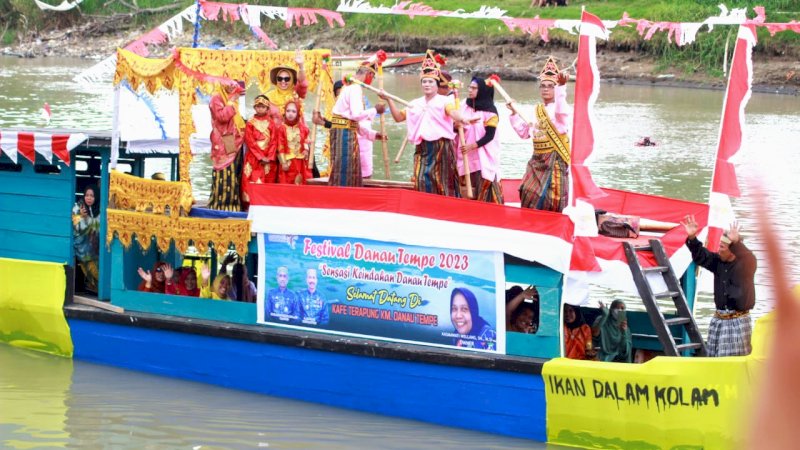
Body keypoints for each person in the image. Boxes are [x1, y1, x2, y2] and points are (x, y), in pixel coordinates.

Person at [381, 50, 463, 198]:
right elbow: (399, 118)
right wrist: (389, 100)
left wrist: (462, 118)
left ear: (437, 84)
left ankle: (444, 207)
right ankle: (424, 204)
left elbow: (452, 112)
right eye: (424, 81)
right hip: (423, 147)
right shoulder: (415, 103)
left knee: (441, 181)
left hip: (441, 147)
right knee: (420, 178)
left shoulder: (444, 101)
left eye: (430, 81)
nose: (427, 84)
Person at [682, 215, 757, 356]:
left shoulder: (746, 265)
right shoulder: (718, 262)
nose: (719, 250)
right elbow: (701, 256)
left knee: (732, 361)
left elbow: (749, 257)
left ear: (732, 250)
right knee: (713, 357)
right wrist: (692, 238)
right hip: (719, 319)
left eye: (722, 247)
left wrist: (735, 242)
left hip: (737, 322)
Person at [508, 56, 572, 212]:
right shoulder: (535, 110)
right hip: (537, 159)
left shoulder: (561, 108)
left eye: (550, 86)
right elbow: (524, 133)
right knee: (527, 191)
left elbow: (561, 114)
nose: (545, 89)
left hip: (555, 159)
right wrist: (514, 113)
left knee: (553, 197)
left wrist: (561, 89)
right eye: (543, 86)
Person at [312, 55, 385, 187]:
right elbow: (356, 115)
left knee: (348, 166)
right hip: (343, 132)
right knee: (345, 166)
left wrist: (372, 134)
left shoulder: (350, 87)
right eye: (372, 77)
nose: (372, 81)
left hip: (344, 129)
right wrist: (375, 110)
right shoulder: (355, 88)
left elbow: (354, 121)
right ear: (368, 74)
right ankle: (343, 194)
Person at [455, 77, 503, 203]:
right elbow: (455, 126)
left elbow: (490, 136)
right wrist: (456, 125)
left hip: (483, 154)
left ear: (482, 90)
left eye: (474, 88)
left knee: (485, 182)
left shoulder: (491, 112)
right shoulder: (464, 106)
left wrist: (473, 146)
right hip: (465, 153)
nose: (470, 90)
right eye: (469, 87)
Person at [208, 81, 245, 211]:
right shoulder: (216, 97)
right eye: (228, 82)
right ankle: (222, 205)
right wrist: (231, 102)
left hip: (233, 138)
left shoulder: (234, 96)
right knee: (225, 170)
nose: (231, 86)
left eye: (234, 83)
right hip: (223, 139)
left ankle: (235, 204)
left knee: (234, 170)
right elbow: (222, 117)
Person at [242, 94, 279, 209]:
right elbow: (250, 141)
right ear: (254, 107)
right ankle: (249, 206)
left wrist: (268, 157)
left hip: (268, 159)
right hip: (253, 158)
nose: (260, 108)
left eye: (263, 107)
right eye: (258, 106)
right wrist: (260, 156)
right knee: (250, 179)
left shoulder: (272, 123)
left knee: (268, 180)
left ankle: (265, 206)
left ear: (267, 109)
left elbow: (274, 141)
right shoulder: (250, 123)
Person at [72, 184, 100, 293]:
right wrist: (83, 218)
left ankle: (97, 288)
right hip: (82, 247)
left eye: (92, 196)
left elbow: (98, 227)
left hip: (96, 247)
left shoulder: (99, 209)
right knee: (90, 269)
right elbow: (78, 227)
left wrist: (87, 219)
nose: (89, 198)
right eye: (87, 195)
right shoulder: (77, 208)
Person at [277, 99, 312, 185]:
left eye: (293, 111)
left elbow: (306, 141)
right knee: (286, 184)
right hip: (287, 163)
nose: (290, 114)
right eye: (288, 111)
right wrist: (283, 162)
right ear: (284, 112)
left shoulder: (304, 128)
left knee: (302, 184)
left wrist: (306, 151)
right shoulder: (281, 129)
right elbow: (279, 146)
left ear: (298, 114)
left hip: (301, 162)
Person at [267, 50, 308, 120]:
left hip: (294, 130)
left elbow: (302, 82)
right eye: (280, 78)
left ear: (292, 80)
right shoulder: (268, 97)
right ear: (276, 80)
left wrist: (301, 66)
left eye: (287, 79)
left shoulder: (296, 93)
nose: (283, 81)